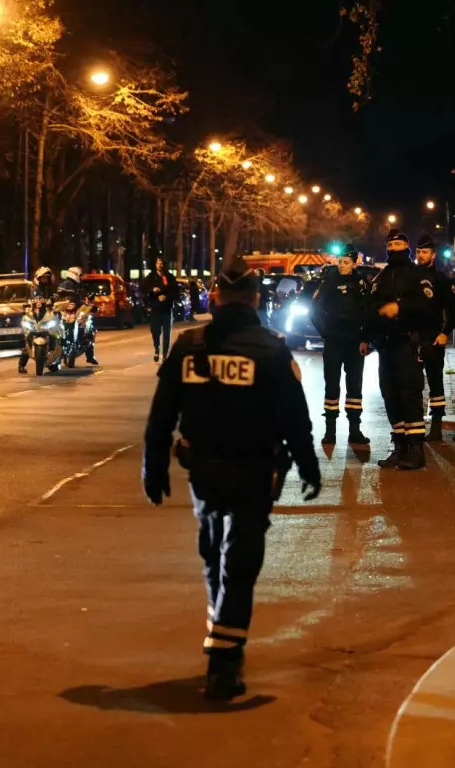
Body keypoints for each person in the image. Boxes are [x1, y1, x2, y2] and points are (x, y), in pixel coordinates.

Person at [142, 256, 322, 701]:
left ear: (215, 297)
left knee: (214, 558)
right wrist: (308, 465)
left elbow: (162, 414)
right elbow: (294, 417)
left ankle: (221, 637)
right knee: (239, 565)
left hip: (203, 472)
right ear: (257, 299)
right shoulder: (271, 349)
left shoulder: (188, 347)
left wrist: (154, 466)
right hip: (254, 472)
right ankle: (223, 661)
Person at [365, 230, 437, 470]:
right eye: (391, 244)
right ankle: (400, 446)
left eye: (399, 244)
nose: (394, 248)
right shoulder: (381, 277)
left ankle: (416, 448)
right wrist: (369, 333)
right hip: (386, 346)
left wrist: (400, 308)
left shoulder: (417, 275)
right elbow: (370, 307)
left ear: (406, 245)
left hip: (408, 344)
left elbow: (428, 307)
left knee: (409, 394)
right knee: (391, 395)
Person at [310, 245, 371, 446]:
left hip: (355, 342)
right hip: (334, 340)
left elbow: (368, 312)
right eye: (339, 261)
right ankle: (330, 431)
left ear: (354, 263)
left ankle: (355, 430)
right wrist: (326, 333)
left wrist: (365, 338)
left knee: (355, 386)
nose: (342, 265)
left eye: (346, 262)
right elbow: (315, 310)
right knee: (332, 385)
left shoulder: (361, 283)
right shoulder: (329, 281)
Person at [414, 234, 455, 442]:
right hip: (412, 339)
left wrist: (444, 333)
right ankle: (415, 426)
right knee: (413, 383)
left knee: (435, 383)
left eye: (425, 252)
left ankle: (437, 426)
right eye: (419, 252)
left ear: (433, 255)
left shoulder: (440, 279)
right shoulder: (410, 277)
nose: (421, 256)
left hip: (432, 338)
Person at [19, 266, 58, 374]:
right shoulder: (32, 288)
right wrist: (25, 306)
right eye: (43, 278)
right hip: (34, 316)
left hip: (47, 315)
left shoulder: (49, 288)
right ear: (39, 278)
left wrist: (55, 299)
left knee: (56, 334)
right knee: (27, 337)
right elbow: (26, 300)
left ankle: (53, 361)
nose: (45, 279)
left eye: (46, 278)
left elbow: (55, 297)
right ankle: (21, 365)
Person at [56, 266, 98, 365]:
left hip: (77, 310)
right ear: (75, 274)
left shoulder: (78, 286)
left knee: (88, 327)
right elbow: (59, 298)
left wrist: (89, 306)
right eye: (80, 275)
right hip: (66, 311)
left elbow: (81, 299)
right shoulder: (65, 285)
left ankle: (90, 355)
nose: (81, 277)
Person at [143, 258, 178, 362]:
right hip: (155, 309)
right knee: (155, 331)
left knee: (167, 333)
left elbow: (176, 293)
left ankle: (165, 354)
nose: (160, 265)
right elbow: (143, 290)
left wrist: (166, 297)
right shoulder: (150, 277)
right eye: (158, 263)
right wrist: (152, 291)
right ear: (155, 264)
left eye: (162, 263)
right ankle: (156, 349)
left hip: (167, 309)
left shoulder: (170, 277)